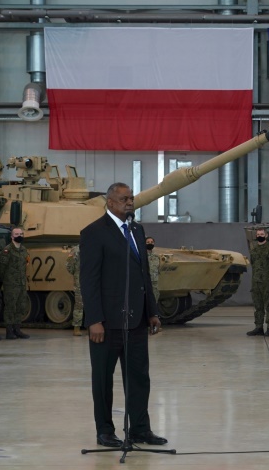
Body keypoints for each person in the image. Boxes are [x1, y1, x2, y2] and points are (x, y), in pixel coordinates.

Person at [80, 182, 165, 448]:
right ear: (110, 202)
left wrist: (152, 311)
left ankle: (140, 429)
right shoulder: (94, 232)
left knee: (139, 378)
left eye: (131, 198)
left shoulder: (136, 230)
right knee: (103, 380)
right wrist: (94, 319)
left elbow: (143, 274)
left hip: (136, 320)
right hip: (106, 323)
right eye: (124, 199)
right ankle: (105, 431)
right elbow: (89, 280)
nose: (130, 202)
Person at [246, 228, 269, 337]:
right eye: (258, 234)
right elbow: (253, 264)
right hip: (256, 283)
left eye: (262, 234)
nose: (259, 236)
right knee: (258, 306)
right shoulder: (254, 250)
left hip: (267, 283)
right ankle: (258, 327)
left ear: (266, 235)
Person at [0, 227, 30, 340]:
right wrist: (6, 280)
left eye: (21, 234)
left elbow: (25, 265)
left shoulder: (24, 250)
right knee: (10, 307)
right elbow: (1, 269)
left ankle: (17, 329)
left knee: (20, 306)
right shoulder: (7, 250)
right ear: (12, 236)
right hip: (11, 284)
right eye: (17, 234)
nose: (19, 236)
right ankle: (9, 331)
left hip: (21, 283)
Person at [66, 244, 83, 336]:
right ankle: (77, 327)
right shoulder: (76, 250)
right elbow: (69, 266)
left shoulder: (94, 247)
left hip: (91, 281)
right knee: (79, 305)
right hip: (80, 282)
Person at [145, 236, 160, 302]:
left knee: (155, 296)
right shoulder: (142, 256)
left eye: (152, 242)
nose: (150, 243)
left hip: (154, 282)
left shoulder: (156, 256)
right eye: (148, 242)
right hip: (145, 281)